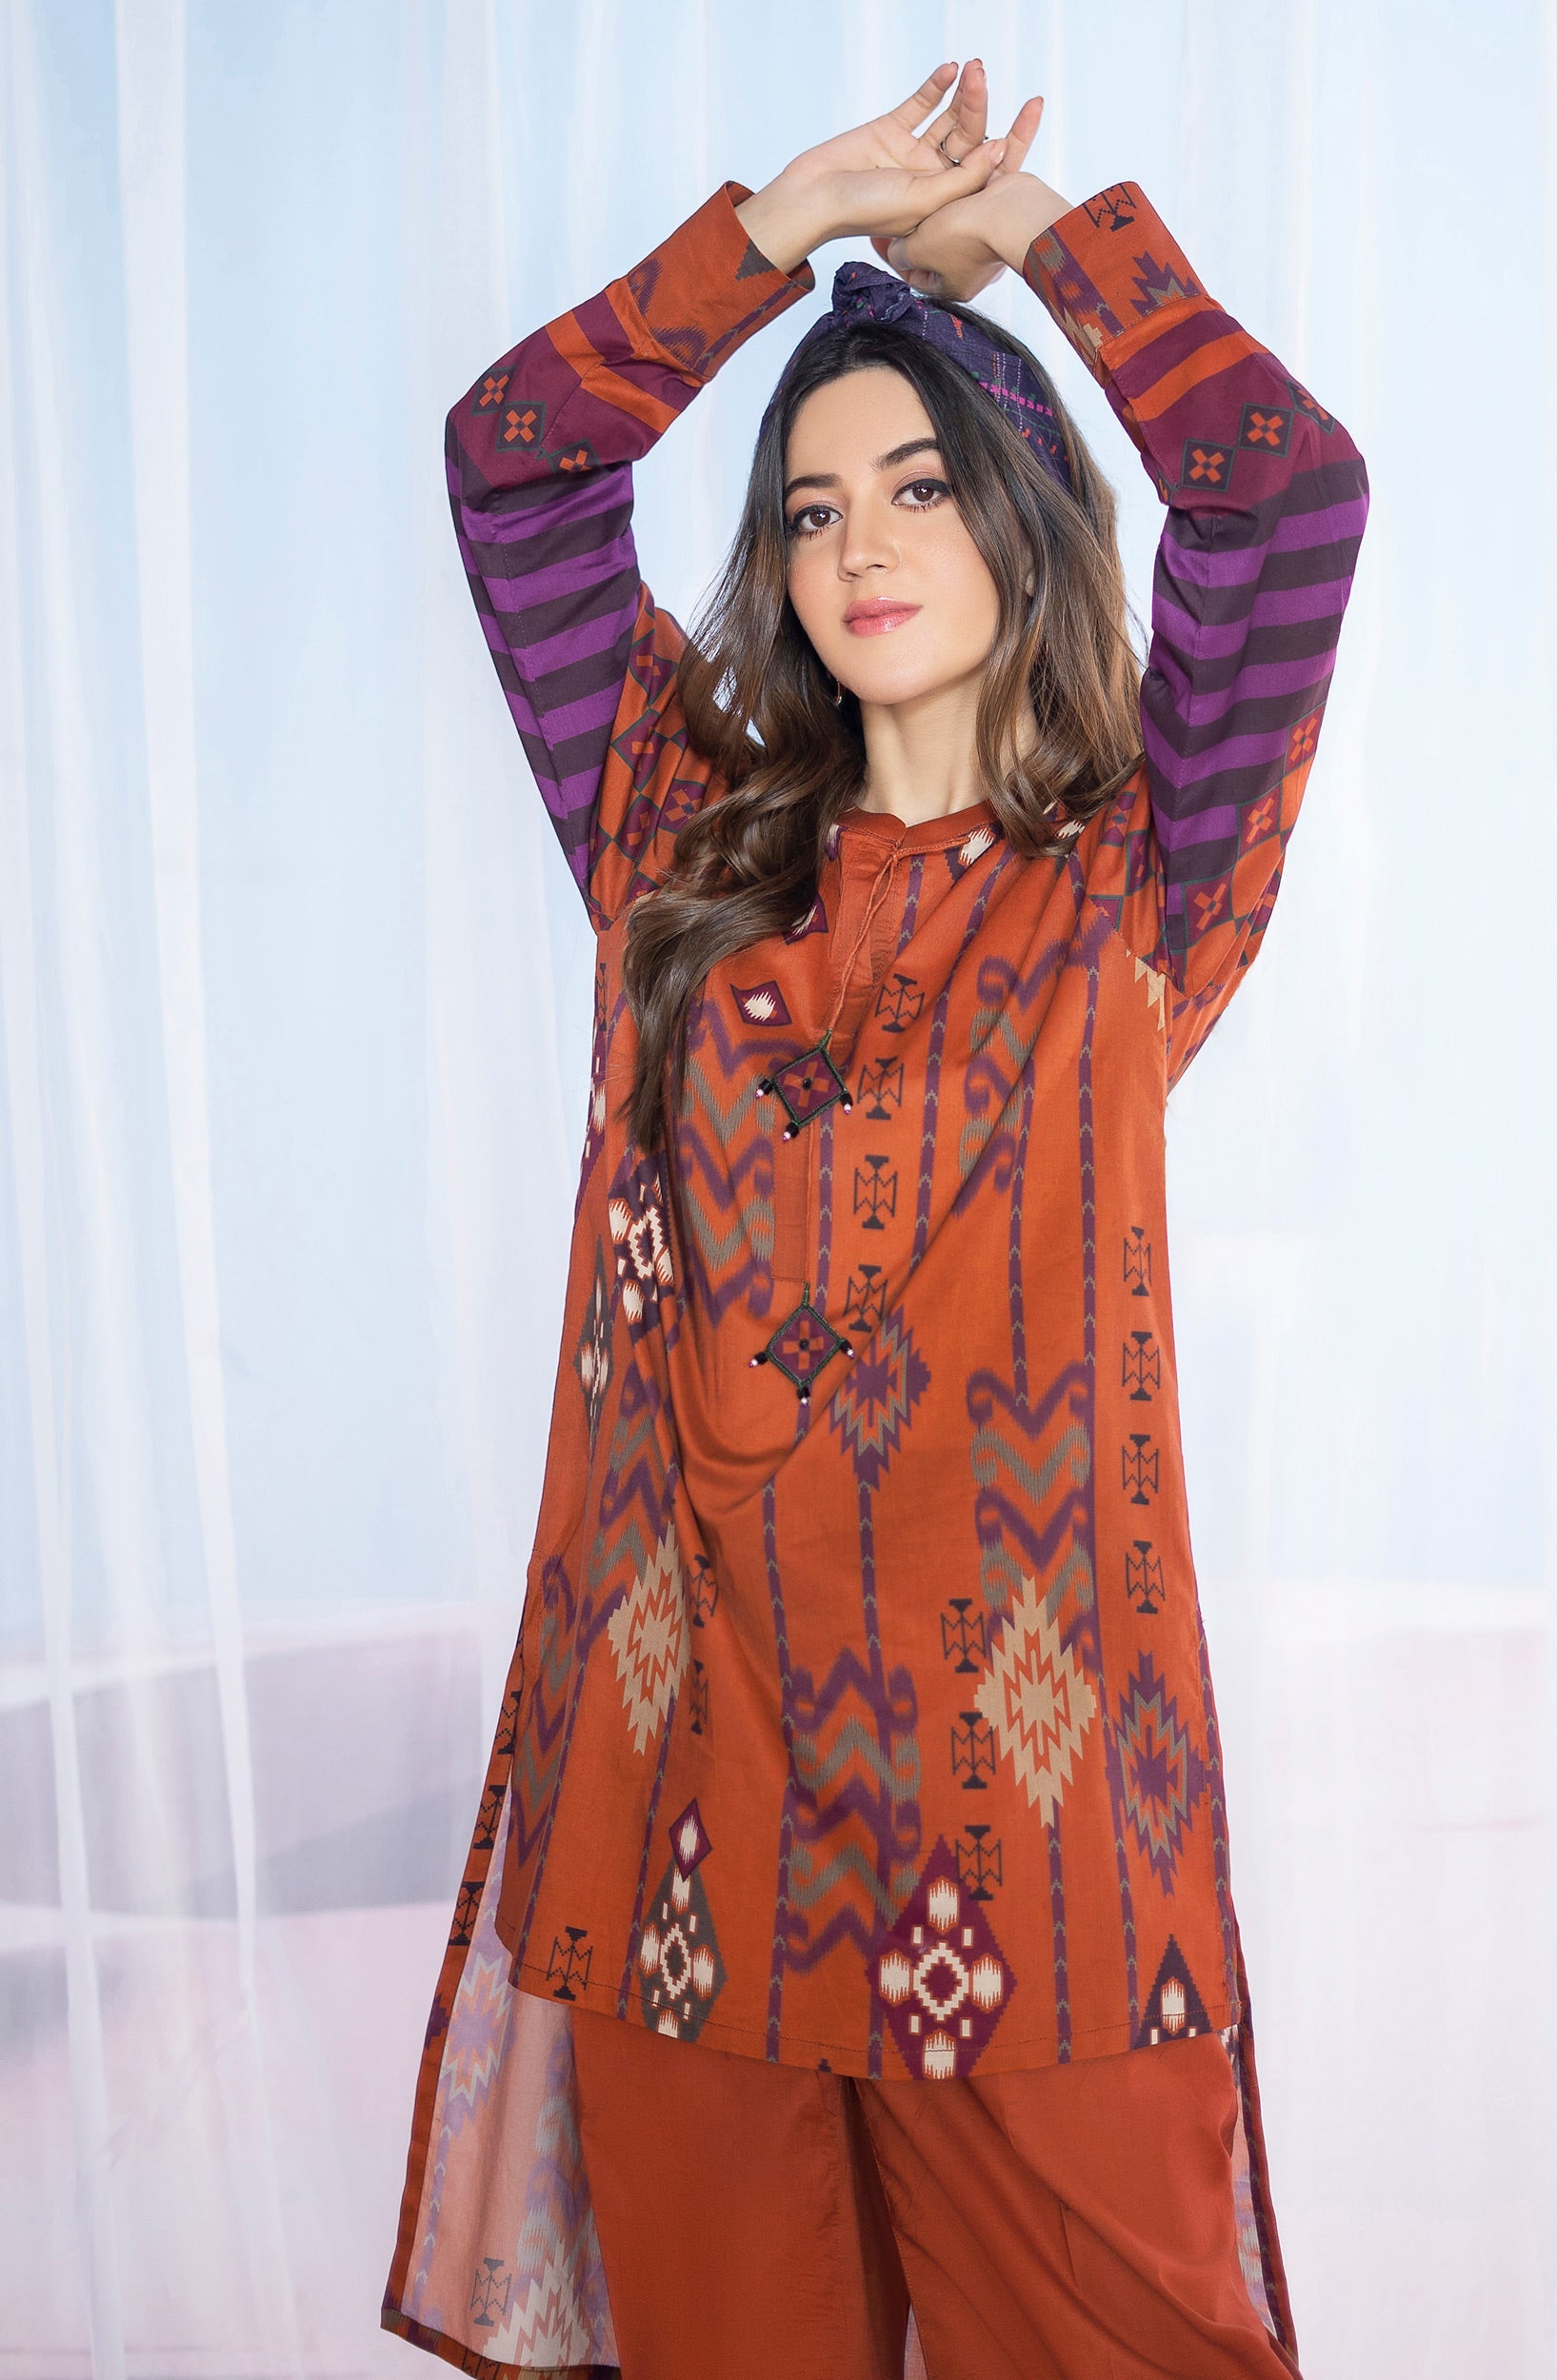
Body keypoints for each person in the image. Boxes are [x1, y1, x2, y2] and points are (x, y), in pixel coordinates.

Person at [383, 60, 1367, 2380]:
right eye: (812, 506)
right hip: (685, 1827)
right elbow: (513, 465)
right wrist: (776, 231)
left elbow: (1283, 491)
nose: (856, 544)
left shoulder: (1135, 878)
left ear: (1022, 518)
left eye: (917, 483)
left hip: (1034, 1863)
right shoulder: (677, 845)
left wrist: (1017, 239)